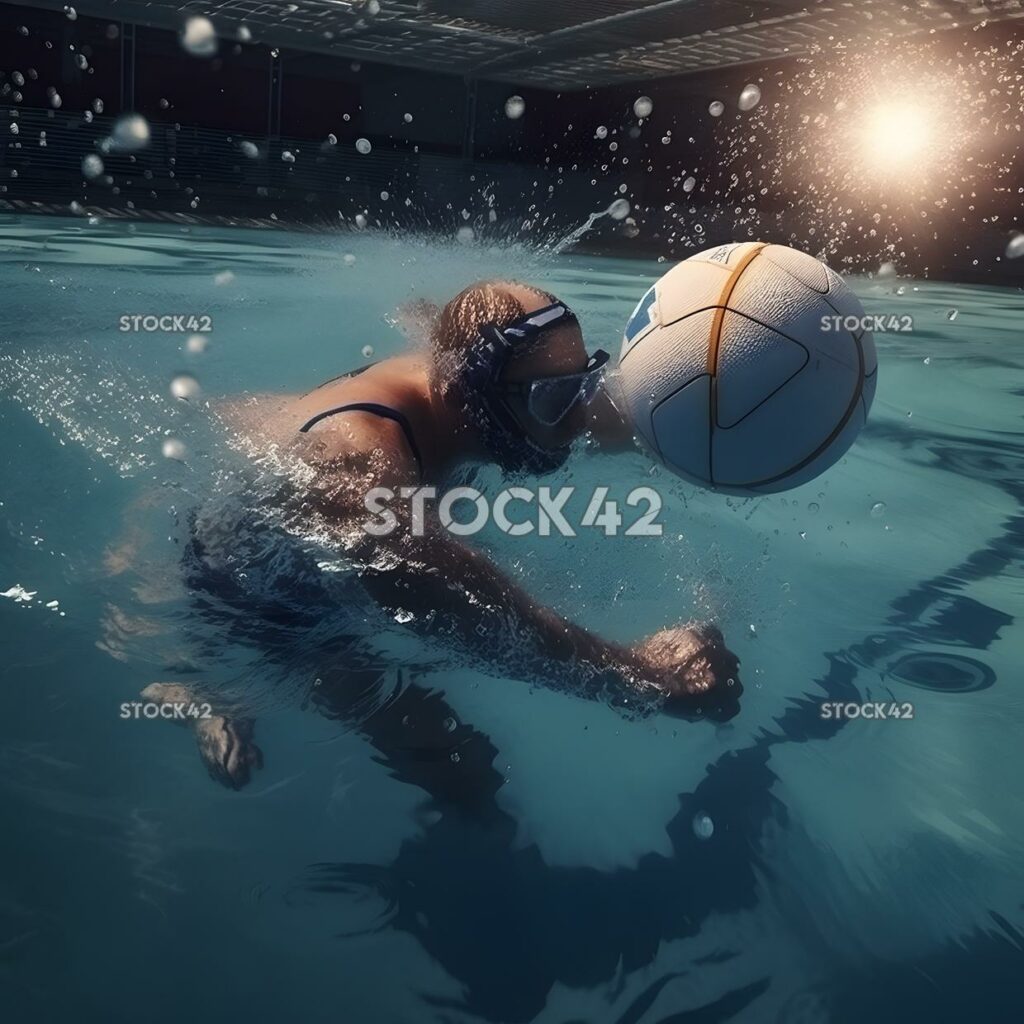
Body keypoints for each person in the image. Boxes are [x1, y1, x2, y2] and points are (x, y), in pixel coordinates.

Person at [145, 279, 741, 790]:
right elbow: (455, 604)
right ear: (462, 397)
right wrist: (636, 674)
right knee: (461, 768)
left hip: (344, 520)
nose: (582, 416)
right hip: (263, 592)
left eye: (582, 385)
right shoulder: (359, 463)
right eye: (556, 398)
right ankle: (200, 693)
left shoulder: (470, 376)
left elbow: (602, 415)